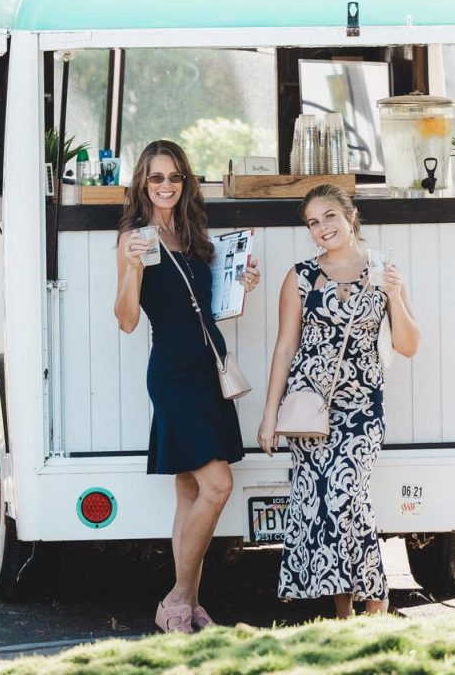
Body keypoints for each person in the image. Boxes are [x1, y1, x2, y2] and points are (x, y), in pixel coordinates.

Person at [115, 139, 260, 634]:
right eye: (156, 178)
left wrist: (242, 281)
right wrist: (132, 269)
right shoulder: (134, 238)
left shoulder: (197, 234)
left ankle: (190, 608)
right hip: (173, 373)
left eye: (174, 177)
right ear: (142, 183)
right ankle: (175, 597)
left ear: (185, 181)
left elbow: (210, 304)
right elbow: (127, 320)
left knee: (190, 489)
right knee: (218, 484)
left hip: (209, 367)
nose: (165, 186)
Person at [257, 183, 420, 618]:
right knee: (319, 500)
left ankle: (377, 599)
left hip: (362, 408)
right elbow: (284, 348)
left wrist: (395, 295)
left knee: (348, 496)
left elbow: (408, 345)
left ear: (350, 216)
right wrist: (269, 416)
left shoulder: (384, 268)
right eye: (313, 222)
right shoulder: (300, 276)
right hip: (308, 408)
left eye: (329, 216)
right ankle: (345, 612)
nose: (322, 227)